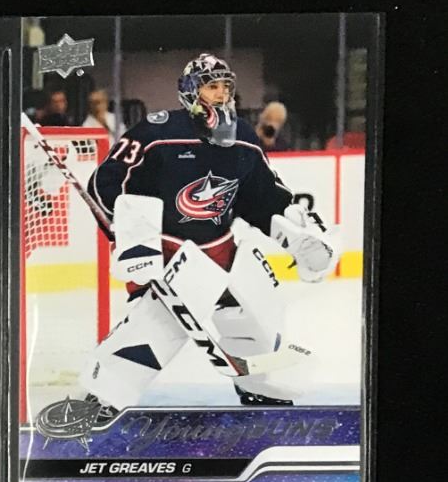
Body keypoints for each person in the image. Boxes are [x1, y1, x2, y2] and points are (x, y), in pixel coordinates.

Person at [79, 53, 335, 413]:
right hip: (167, 251)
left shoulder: (243, 137)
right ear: (190, 90)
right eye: (211, 86)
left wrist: (294, 231)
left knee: (256, 313)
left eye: (225, 87)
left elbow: (262, 196)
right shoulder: (156, 132)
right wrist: (132, 235)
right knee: (159, 325)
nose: (220, 94)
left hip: (222, 248)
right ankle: (105, 394)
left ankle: (260, 386)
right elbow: (105, 183)